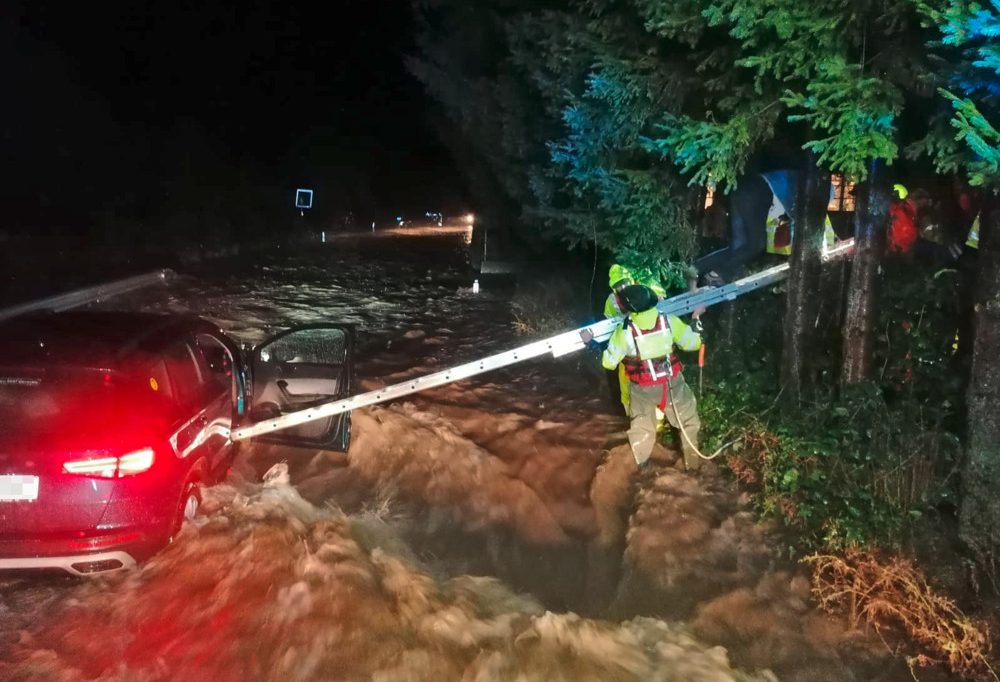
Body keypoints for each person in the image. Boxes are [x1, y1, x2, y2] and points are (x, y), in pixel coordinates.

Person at [584, 284, 704, 472]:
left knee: (642, 428)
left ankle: (644, 469)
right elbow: (693, 343)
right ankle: (693, 466)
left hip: (642, 389)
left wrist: (590, 343)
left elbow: (608, 363)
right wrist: (696, 318)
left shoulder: (623, 333)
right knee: (688, 422)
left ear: (627, 308)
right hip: (672, 384)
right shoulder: (669, 321)